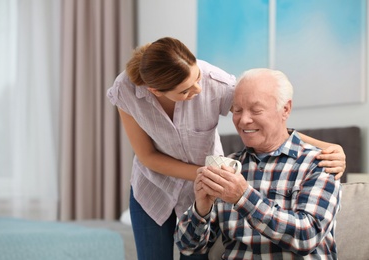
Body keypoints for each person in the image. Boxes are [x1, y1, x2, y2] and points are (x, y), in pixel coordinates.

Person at [107, 37, 345, 260]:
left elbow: (266, 119)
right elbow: (147, 156)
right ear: (155, 91)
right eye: (186, 91)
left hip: (207, 182)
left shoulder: (215, 83)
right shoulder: (126, 91)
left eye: (197, 77)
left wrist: (328, 147)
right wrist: (210, 180)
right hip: (155, 185)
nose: (199, 90)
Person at [175, 68, 342, 259]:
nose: (244, 120)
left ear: (285, 109)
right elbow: (188, 247)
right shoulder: (228, 166)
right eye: (237, 110)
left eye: (256, 110)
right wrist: (201, 209)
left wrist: (243, 197)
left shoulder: (320, 163)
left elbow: (307, 237)